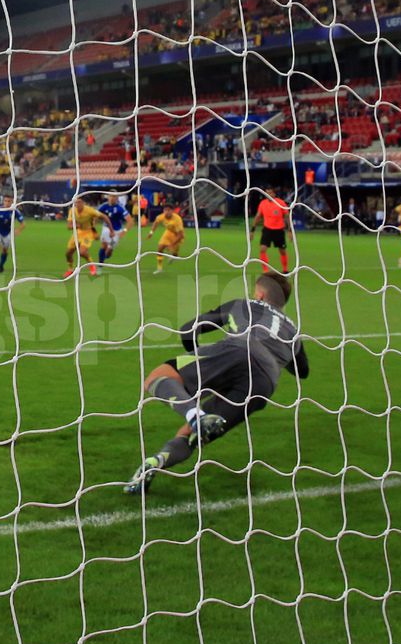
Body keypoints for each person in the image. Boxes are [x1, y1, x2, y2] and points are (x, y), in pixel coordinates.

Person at [125, 271, 309, 495]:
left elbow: (188, 328)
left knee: (157, 377)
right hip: (264, 382)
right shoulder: (292, 331)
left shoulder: (242, 305)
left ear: (259, 295)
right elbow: (302, 371)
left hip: (237, 350)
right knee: (192, 437)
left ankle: (196, 415)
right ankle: (155, 462)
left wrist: (201, 362)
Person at [65, 195, 112, 278]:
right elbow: (69, 226)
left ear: (83, 203)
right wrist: (75, 226)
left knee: (82, 252)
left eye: (79, 202)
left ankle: (92, 265)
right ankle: (70, 269)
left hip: (88, 232)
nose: (77, 204)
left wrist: (111, 230)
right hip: (78, 233)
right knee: (68, 253)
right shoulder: (72, 210)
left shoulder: (89, 210)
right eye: (76, 202)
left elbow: (104, 217)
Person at [250, 186, 291, 273]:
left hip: (279, 230)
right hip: (267, 230)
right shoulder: (263, 204)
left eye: (270, 193)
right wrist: (252, 230)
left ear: (274, 194)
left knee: (282, 251)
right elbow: (258, 217)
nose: (268, 195)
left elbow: (287, 217)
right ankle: (265, 270)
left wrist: (290, 231)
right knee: (263, 249)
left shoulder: (281, 203)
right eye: (266, 193)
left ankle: (285, 269)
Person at [0, 194, 24, 273]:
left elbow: (23, 223)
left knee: (5, 250)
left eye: (9, 201)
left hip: (7, 233)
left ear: (12, 202)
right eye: (5, 201)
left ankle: (1, 265)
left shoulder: (14, 211)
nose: (7, 203)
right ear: (3, 201)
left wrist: (19, 230)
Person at [148, 204, 185, 274]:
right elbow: (156, 222)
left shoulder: (177, 219)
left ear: (172, 211)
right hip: (168, 233)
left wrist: (171, 244)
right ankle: (159, 268)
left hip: (177, 235)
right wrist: (151, 232)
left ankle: (174, 255)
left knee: (175, 253)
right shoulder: (161, 216)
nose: (167, 212)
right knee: (160, 248)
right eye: (165, 210)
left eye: (169, 210)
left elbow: (181, 235)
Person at [97, 192, 130, 269]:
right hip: (106, 229)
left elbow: (130, 221)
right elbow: (96, 214)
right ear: (108, 197)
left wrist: (124, 231)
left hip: (116, 231)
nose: (112, 198)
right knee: (103, 246)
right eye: (111, 196)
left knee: (108, 252)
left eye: (114, 196)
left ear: (117, 198)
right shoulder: (104, 206)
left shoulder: (120, 208)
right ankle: (100, 265)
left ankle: (104, 257)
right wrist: (94, 224)